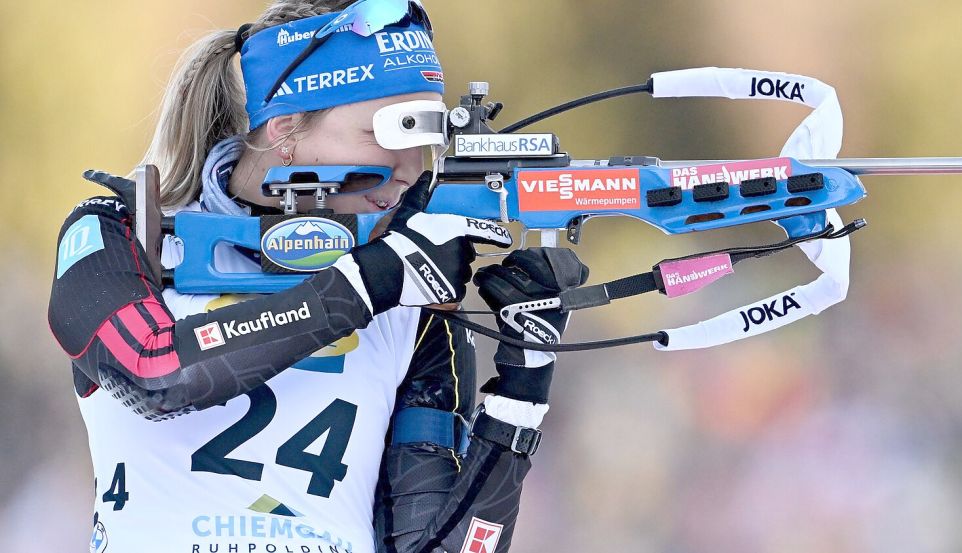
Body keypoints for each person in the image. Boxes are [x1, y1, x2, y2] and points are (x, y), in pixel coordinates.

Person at [47, 1, 588, 552]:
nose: (414, 170)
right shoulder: (122, 232)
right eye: (394, 131)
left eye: (427, 139)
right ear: (284, 128)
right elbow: (155, 371)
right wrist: (371, 280)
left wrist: (522, 389)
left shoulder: (410, 293)